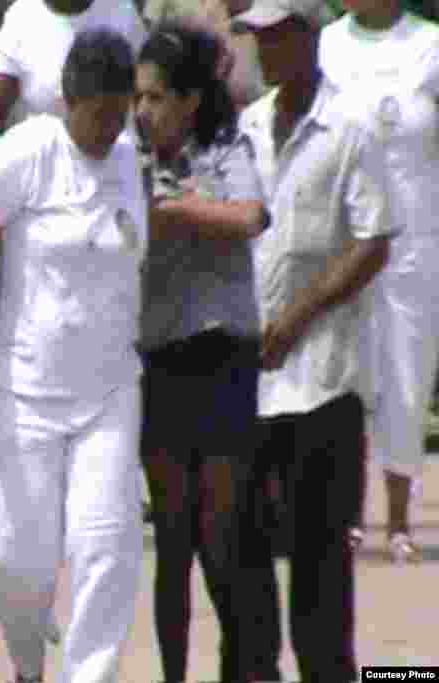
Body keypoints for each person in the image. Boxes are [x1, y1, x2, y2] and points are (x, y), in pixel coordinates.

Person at [0, 29, 147, 683]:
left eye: (121, 113)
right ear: (69, 101)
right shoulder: (32, 148)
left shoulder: (128, 157)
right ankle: (27, 664)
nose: (110, 128)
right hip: (28, 390)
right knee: (20, 559)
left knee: (105, 547)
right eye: (100, 114)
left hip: (110, 393)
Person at [232, 0, 398, 679]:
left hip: (324, 381)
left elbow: (374, 241)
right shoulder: (245, 127)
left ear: (307, 35)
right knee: (243, 568)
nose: (264, 50)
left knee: (320, 581)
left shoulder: (351, 126)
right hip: (249, 385)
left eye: (276, 35)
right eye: (256, 37)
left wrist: (299, 313)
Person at [133, 23, 267, 683]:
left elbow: (248, 217)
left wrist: (175, 211)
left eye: (156, 97)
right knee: (174, 543)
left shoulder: (226, 146)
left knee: (221, 536)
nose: (142, 110)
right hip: (161, 361)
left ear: (189, 100)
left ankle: (240, 669)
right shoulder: (127, 158)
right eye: (139, 97)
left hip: (223, 356)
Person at [319, 0, 439, 564]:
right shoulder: (326, 45)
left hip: (414, 242)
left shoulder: (429, 45)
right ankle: (344, 515)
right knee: (344, 374)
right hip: (343, 239)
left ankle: (397, 520)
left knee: (406, 376)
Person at [0, 0, 147, 131]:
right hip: (43, 163)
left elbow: (147, 97)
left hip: (113, 159)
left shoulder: (124, 15)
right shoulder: (22, 15)